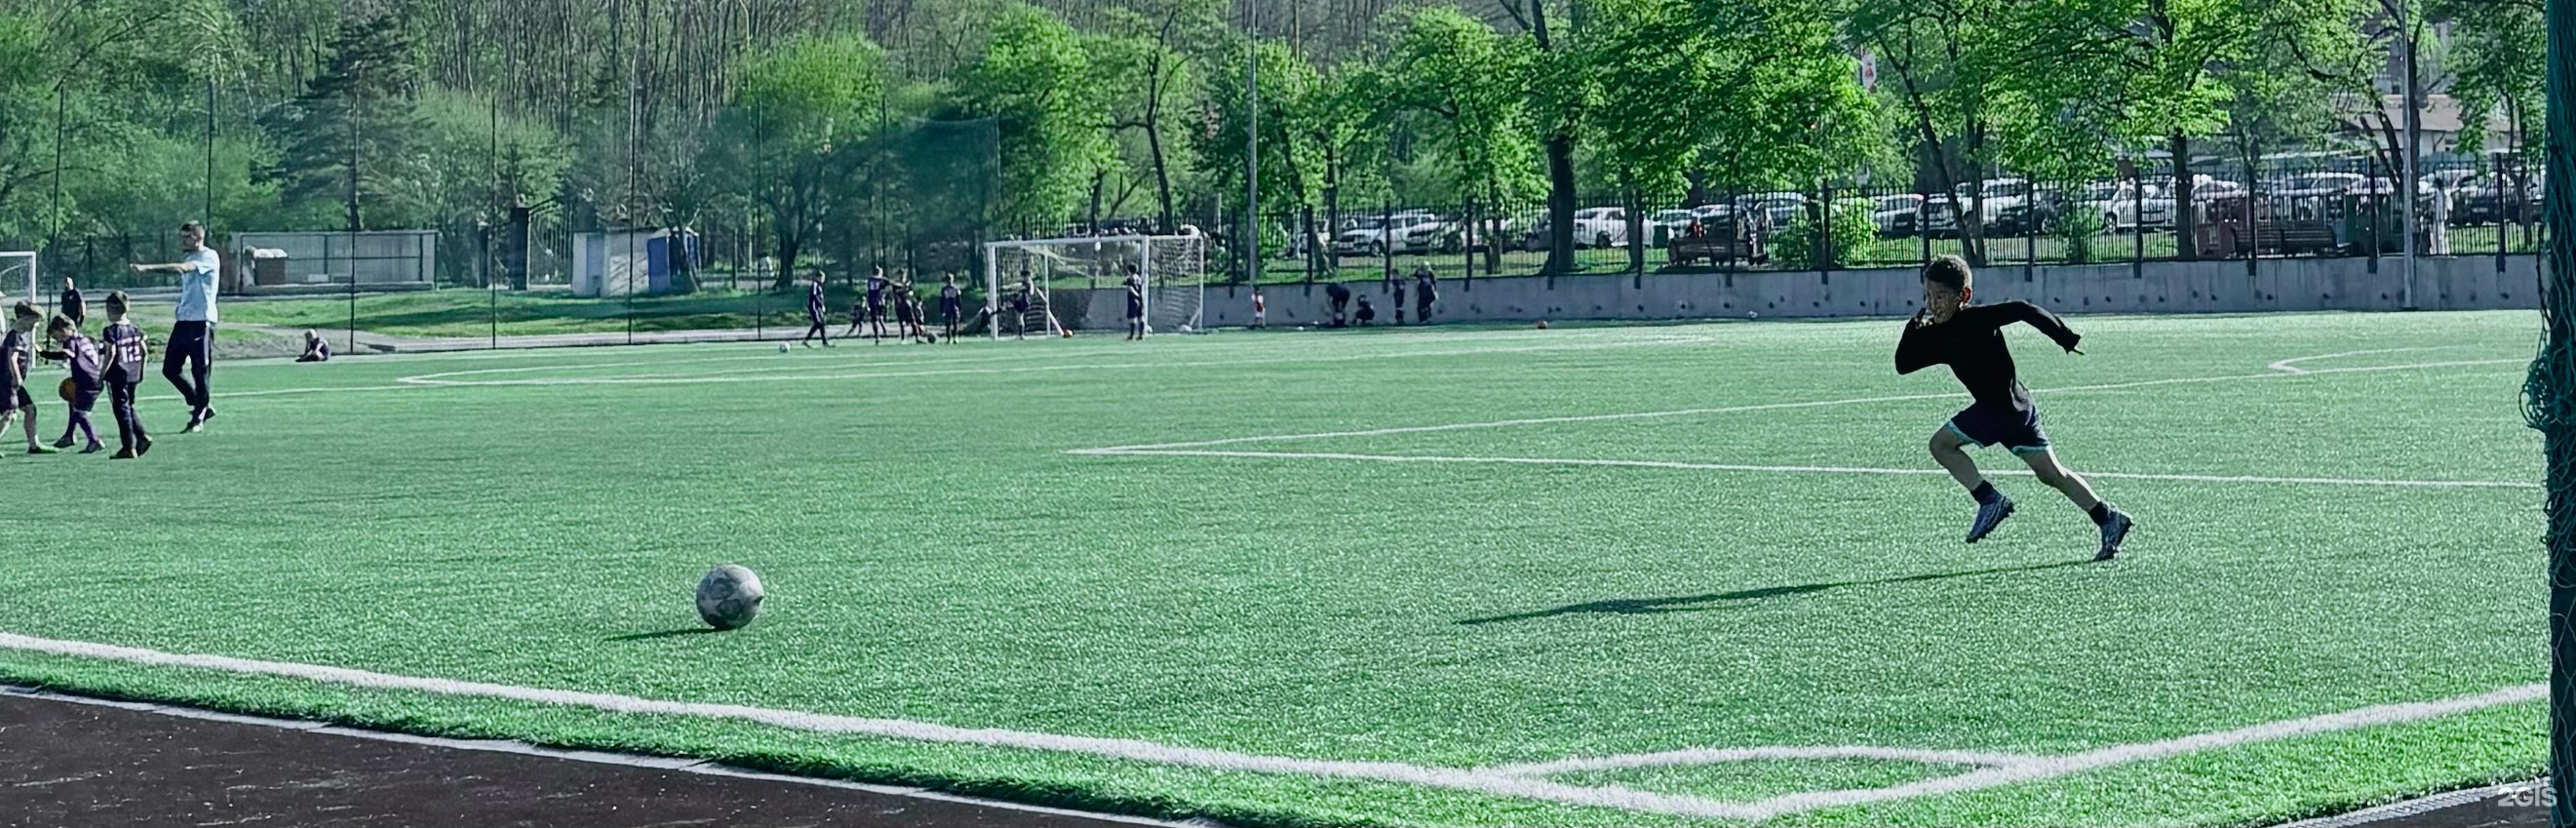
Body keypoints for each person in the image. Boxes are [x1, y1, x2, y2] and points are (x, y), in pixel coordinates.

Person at [1894, 256, 2133, 561]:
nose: (1932, 304)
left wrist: (2064, 337)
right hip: (2018, 409)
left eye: (1940, 296)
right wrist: (1914, 325)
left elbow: (2022, 309)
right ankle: (2108, 517)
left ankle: (1989, 499)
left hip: (2000, 412)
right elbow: (1904, 364)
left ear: (1964, 295)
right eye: (1927, 296)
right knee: (2051, 474)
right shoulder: (1937, 334)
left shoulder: (1977, 320)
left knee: (1941, 445)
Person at [128, 221, 219, 432]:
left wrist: (148, 268)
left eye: (187, 237)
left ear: (198, 237)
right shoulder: (190, 257)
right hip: (184, 322)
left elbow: (182, 268)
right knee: (170, 369)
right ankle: (199, 403)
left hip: (201, 322)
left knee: (200, 371)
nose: (183, 241)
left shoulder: (208, 256)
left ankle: (198, 418)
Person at [35, 314, 102, 453]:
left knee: (80, 413)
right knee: (73, 405)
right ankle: (69, 436)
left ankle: (94, 440)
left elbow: (67, 354)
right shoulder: (87, 339)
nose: (58, 341)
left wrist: (43, 353)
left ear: (63, 330)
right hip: (96, 377)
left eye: (57, 337)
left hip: (86, 380)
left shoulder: (71, 341)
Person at [98, 292, 150, 458]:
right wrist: (142, 371)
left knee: (121, 410)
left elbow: (111, 352)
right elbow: (144, 351)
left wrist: (102, 374)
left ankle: (128, 447)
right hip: (133, 372)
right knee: (128, 406)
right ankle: (141, 436)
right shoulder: (135, 329)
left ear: (109, 310)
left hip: (118, 374)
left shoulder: (111, 331)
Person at [0, 302, 52, 454]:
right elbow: (12, 358)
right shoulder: (14, 336)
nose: (36, 326)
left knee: (30, 409)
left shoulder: (23, 335)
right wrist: (16, 377)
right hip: (8, 382)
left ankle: (34, 445)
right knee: (10, 415)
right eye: (34, 322)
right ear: (24, 318)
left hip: (15, 383)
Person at [800, 271, 833, 347]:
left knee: (821, 324)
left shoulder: (818, 286)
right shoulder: (815, 285)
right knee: (818, 324)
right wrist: (821, 305)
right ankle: (807, 340)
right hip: (814, 307)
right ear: (818, 277)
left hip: (817, 308)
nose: (823, 279)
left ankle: (824, 342)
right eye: (822, 278)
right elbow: (814, 296)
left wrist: (821, 306)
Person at [938, 274, 963, 343]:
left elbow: (959, 300)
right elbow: (942, 300)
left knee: (955, 323)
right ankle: (949, 338)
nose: (949, 281)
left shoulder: (956, 289)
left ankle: (955, 337)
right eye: (947, 279)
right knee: (948, 323)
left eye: (950, 279)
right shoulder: (944, 289)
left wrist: (960, 308)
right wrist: (941, 309)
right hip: (947, 307)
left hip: (954, 307)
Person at [1123, 268, 1147, 340]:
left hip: (1133, 299)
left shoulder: (1130, 279)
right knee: (1141, 316)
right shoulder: (1139, 278)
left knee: (1132, 317)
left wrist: (1136, 295)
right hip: (1141, 299)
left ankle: (1131, 335)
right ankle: (1141, 335)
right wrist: (1140, 297)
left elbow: (1130, 288)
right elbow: (1142, 288)